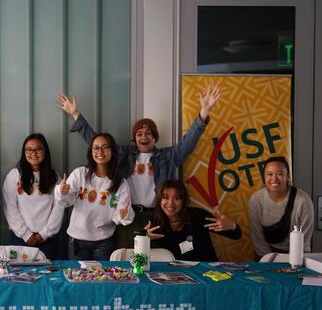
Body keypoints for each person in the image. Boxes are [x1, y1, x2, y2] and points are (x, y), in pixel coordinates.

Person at [57, 85, 221, 248]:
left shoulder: (168, 157)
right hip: (127, 216)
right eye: (139, 134)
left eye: (149, 133)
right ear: (134, 139)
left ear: (155, 138)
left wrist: (204, 113)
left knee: (154, 260)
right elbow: (97, 142)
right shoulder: (123, 154)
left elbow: (188, 142)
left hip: (156, 216)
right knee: (125, 261)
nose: (144, 137)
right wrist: (75, 114)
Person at [55, 133, 134, 260]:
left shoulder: (120, 183)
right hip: (77, 241)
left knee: (102, 279)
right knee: (78, 278)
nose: (100, 152)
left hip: (104, 243)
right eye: (96, 148)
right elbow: (65, 202)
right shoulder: (80, 174)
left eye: (104, 147)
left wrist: (124, 214)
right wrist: (61, 191)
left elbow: (119, 214)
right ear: (91, 151)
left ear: (112, 151)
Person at [145, 179, 241, 262]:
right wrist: (145, 239)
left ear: (184, 201)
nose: (170, 203)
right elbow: (139, 254)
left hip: (206, 272)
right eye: (165, 198)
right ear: (159, 200)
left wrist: (232, 225)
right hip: (173, 274)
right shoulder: (155, 221)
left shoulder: (198, 216)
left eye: (177, 198)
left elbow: (236, 235)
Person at [2, 133, 64, 259]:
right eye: (29, 149)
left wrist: (44, 234)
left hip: (48, 239)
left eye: (38, 149)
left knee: (48, 275)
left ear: (45, 151)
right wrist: (26, 235)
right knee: (21, 276)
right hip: (20, 238)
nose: (33, 153)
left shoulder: (55, 177)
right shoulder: (14, 176)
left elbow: (59, 208)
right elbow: (10, 208)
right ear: (24, 152)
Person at [248, 156, 314, 258]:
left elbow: (304, 240)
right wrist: (271, 261)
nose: (274, 179)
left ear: (288, 176)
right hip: (266, 256)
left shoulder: (303, 201)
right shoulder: (256, 199)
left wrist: (291, 262)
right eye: (269, 174)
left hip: (298, 255)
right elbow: (257, 237)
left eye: (280, 174)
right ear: (264, 177)